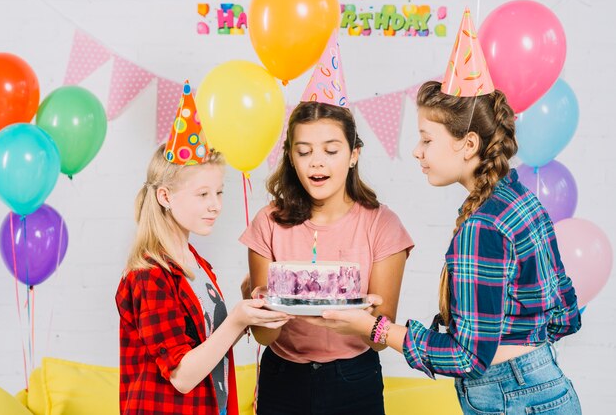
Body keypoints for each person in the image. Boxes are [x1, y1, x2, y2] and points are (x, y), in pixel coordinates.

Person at [309, 77, 583, 413]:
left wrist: (374, 328)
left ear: (468, 144)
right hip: (549, 388)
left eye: (426, 139)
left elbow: (465, 357)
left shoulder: (482, 227)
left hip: (511, 398)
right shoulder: (522, 199)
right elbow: (565, 315)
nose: (416, 151)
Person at [240, 99, 414, 415]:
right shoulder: (268, 222)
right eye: (304, 152)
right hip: (282, 376)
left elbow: (378, 338)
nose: (316, 163)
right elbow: (265, 336)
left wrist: (357, 317)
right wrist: (259, 306)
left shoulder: (382, 225)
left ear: (353, 155)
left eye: (331, 151)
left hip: (354, 377)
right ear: (291, 157)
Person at [115, 127, 292, 413]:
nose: (216, 206)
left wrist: (249, 309)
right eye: (203, 194)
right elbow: (182, 376)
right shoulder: (150, 274)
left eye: (219, 192)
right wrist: (237, 318)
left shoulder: (195, 264)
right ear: (165, 196)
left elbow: (209, 348)